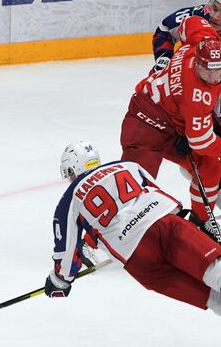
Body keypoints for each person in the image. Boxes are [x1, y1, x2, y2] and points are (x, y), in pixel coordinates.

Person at [44, 140, 221, 315]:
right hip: (165, 223)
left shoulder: (69, 200)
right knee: (214, 269)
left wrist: (60, 281)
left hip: (137, 256)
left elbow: (66, 252)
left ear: (73, 168)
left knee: (212, 299)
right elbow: (155, 190)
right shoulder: (127, 166)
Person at [120, 16, 221, 234]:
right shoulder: (197, 95)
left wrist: (164, 59)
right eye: (207, 71)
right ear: (198, 61)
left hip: (174, 123)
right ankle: (98, 236)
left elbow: (189, 22)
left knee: (210, 167)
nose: (212, 77)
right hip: (144, 123)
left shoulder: (203, 37)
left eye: (217, 70)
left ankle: (200, 224)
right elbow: (201, 142)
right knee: (134, 189)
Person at [151, 0, 221, 74]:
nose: (215, 16)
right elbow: (165, 29)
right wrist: (163, 59)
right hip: (188, 71)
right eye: (215, 8)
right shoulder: (198, 15)